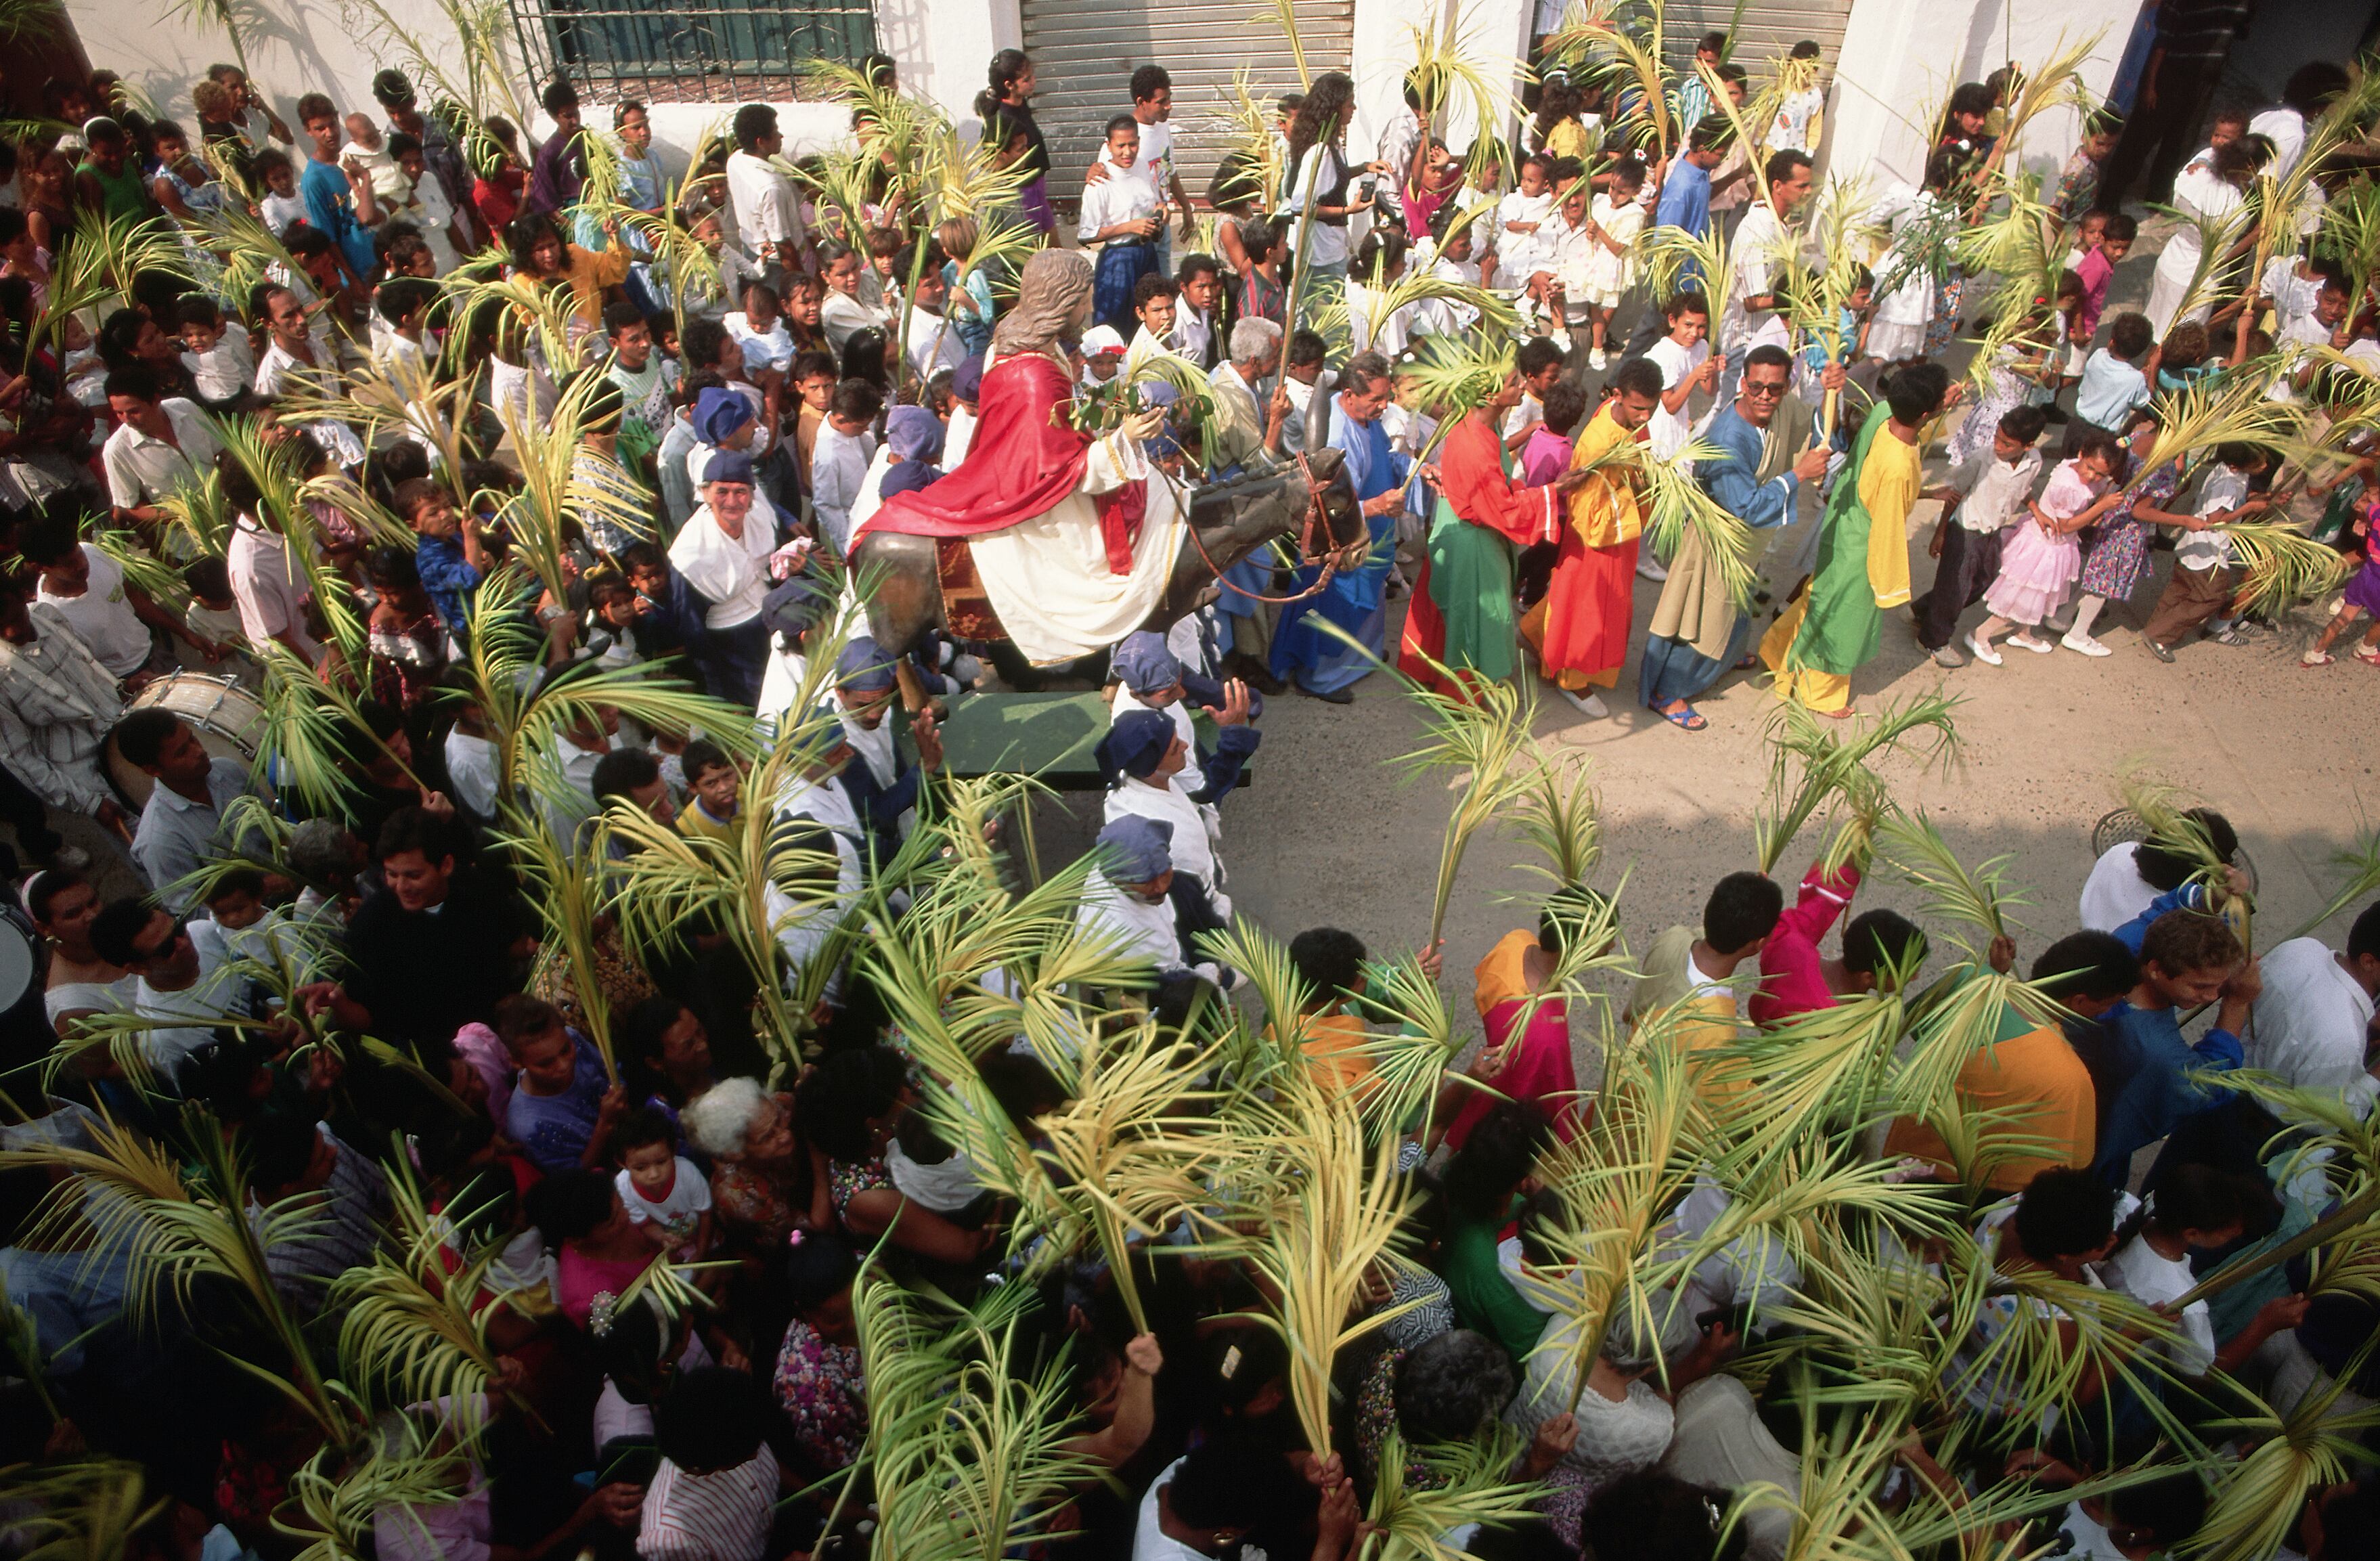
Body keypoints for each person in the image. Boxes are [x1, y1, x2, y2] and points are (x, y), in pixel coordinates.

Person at [1639, 347, 1832, 731]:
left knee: (1735, 608)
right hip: (1719, 542)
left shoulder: (1779, 408)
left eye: (1774, 389)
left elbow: (1806, 418)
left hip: (1747, 544)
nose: (1765, 396)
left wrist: (1828, 390)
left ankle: (1725, 657)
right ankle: (1667, 690)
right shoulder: (1729, 438)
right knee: (1701, 615)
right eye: (1757, 386)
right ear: (1743, 384)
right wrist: (1797, 474)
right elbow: (1745, 506)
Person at [1762, 359, 1947, 716]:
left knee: (1818, 599)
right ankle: (1820, 694)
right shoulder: (1897, 466)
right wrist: (1889, 581)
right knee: (1843, 620)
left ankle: (1778, 654)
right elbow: (1889, 527)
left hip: (1844, 524)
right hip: (1863, 545)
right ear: (1926, 413)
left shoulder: (1882, 412)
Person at [1885, 931, 2134, 1191]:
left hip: (1902, 1157)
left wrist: (1991, 972)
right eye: (2108, 1005)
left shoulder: (1970, 981)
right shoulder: (2069, 1078)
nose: (2105, 1013)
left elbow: (1919, 1024)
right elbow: (2061, 1171)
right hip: (1957, 1192)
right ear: (2080, 1000)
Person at [1396, 363, 1591, 695]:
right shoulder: (1476, 445)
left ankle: (1441, 679)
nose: (1521, 387)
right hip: (1473, 541)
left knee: (1457, 618)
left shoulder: (1478, 426)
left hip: (1460, 526)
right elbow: (1502, 508)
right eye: (1514, 383)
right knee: (1478, 621)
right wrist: (1552, 491)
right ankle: (1463, 698)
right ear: (1489, 395)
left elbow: (1497, 488)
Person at [1524, 359, 1660, 716]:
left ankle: (1537, 633)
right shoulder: (1597, 444)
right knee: (1590, 611)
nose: (1646, 417)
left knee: (1572, 600)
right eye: (1639, 409)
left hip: (1619, 536)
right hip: (1598, 542)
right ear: (1618, 397)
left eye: (1651, 408)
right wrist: (1642, 495)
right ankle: (1572, 679)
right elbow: (1586, 511)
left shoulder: (1627, 419)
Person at [2090, 906, 2254, 1185]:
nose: (2212, 996)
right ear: (2156, 969)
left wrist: (2214, 897)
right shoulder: (2155, 1052)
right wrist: (2236, 1004)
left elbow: (2156, 917)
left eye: (2219, 986)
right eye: (2200, 986)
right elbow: (2209, 1085)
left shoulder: (2121, 947)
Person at [1965, 428, 2128, 666]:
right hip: (2044, 547)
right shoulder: (2068, 486)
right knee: (2021, 598)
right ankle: (1980, 634)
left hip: (2055, 547)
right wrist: (2100, 507)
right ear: (2081, 455)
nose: (2093, 476)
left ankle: (2023, 633)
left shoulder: (2079, 470)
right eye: (2090, 469)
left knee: (2039, 596)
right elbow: (2065, 526)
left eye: (2100, 474)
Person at [0, 573, 129, 845]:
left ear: (24, 596)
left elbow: (90, 667)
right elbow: (21, 760)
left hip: (128, 735)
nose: (11, 633)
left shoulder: (48, 615)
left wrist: (124, 685)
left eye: (13, 618)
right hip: (95, 779)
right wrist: (90, 804)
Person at [1914, 403, 2046, 667]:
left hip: (1992, 531)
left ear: (2028, 445)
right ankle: (1932, 640)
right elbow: (1954, 496)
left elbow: (2023, 490)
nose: (1998, 446)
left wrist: (2037, 511)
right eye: (1997, 437)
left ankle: (1923, 609)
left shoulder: (2035, 462)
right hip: (1964, 530)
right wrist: (1940, 533)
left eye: (2007, 443)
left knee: (1984, 582)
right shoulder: (1983, 459)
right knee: (1956, 589)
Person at [2141, 441, 2272, 661]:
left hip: (2192, 546)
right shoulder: (2227, 484)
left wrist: (2256, 500)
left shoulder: (2225, 473)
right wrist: (2249, 509)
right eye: (2257, 463)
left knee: (2180, 589)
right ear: (2236, 465)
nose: (2264, 466)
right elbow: (2215, 520)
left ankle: (2156, 626)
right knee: (2211, 597)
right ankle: (2160, 635)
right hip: (2209, 550)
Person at [2245, 903, 2380, 1114]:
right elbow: (2322, 1121)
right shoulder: (2344, 1039)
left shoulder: (2303, 947)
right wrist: (2376, 1076)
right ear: (2369, 962)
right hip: (2248, 1124)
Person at [724, 104, 806, 283]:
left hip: (751, 248)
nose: (780, 136)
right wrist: (802, 279)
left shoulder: (735, 160)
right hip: (776, 265)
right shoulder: (770, 188)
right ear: (761, 142)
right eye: (775, 131)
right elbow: (783, 245)